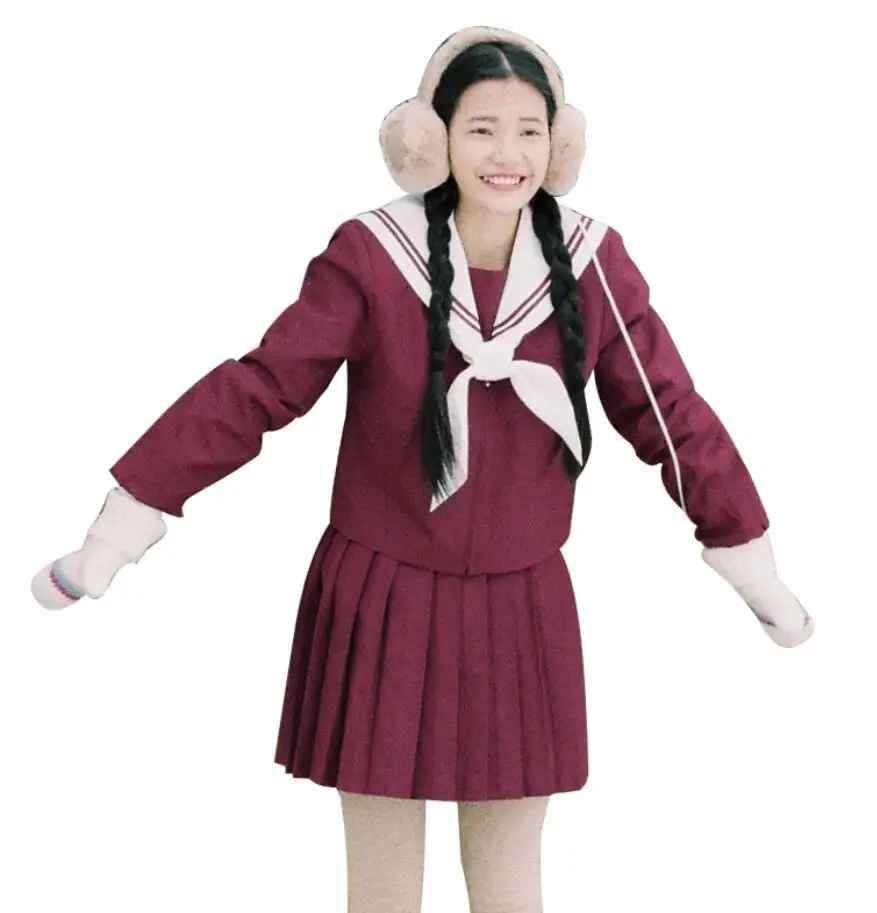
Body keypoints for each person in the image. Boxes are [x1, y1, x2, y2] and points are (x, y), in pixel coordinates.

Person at [30, 25, 815, 913]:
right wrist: (127, 519)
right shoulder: (373, 254)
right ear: (431, 138)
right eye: (481, 128)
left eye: (528, 130)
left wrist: (745, 549)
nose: (507, 154)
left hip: (521, 604)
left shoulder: (593, 263)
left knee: (512, 885)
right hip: (381, 593)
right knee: (382, 889)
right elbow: (262, 388)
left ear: (559, 144)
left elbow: (670, 412)